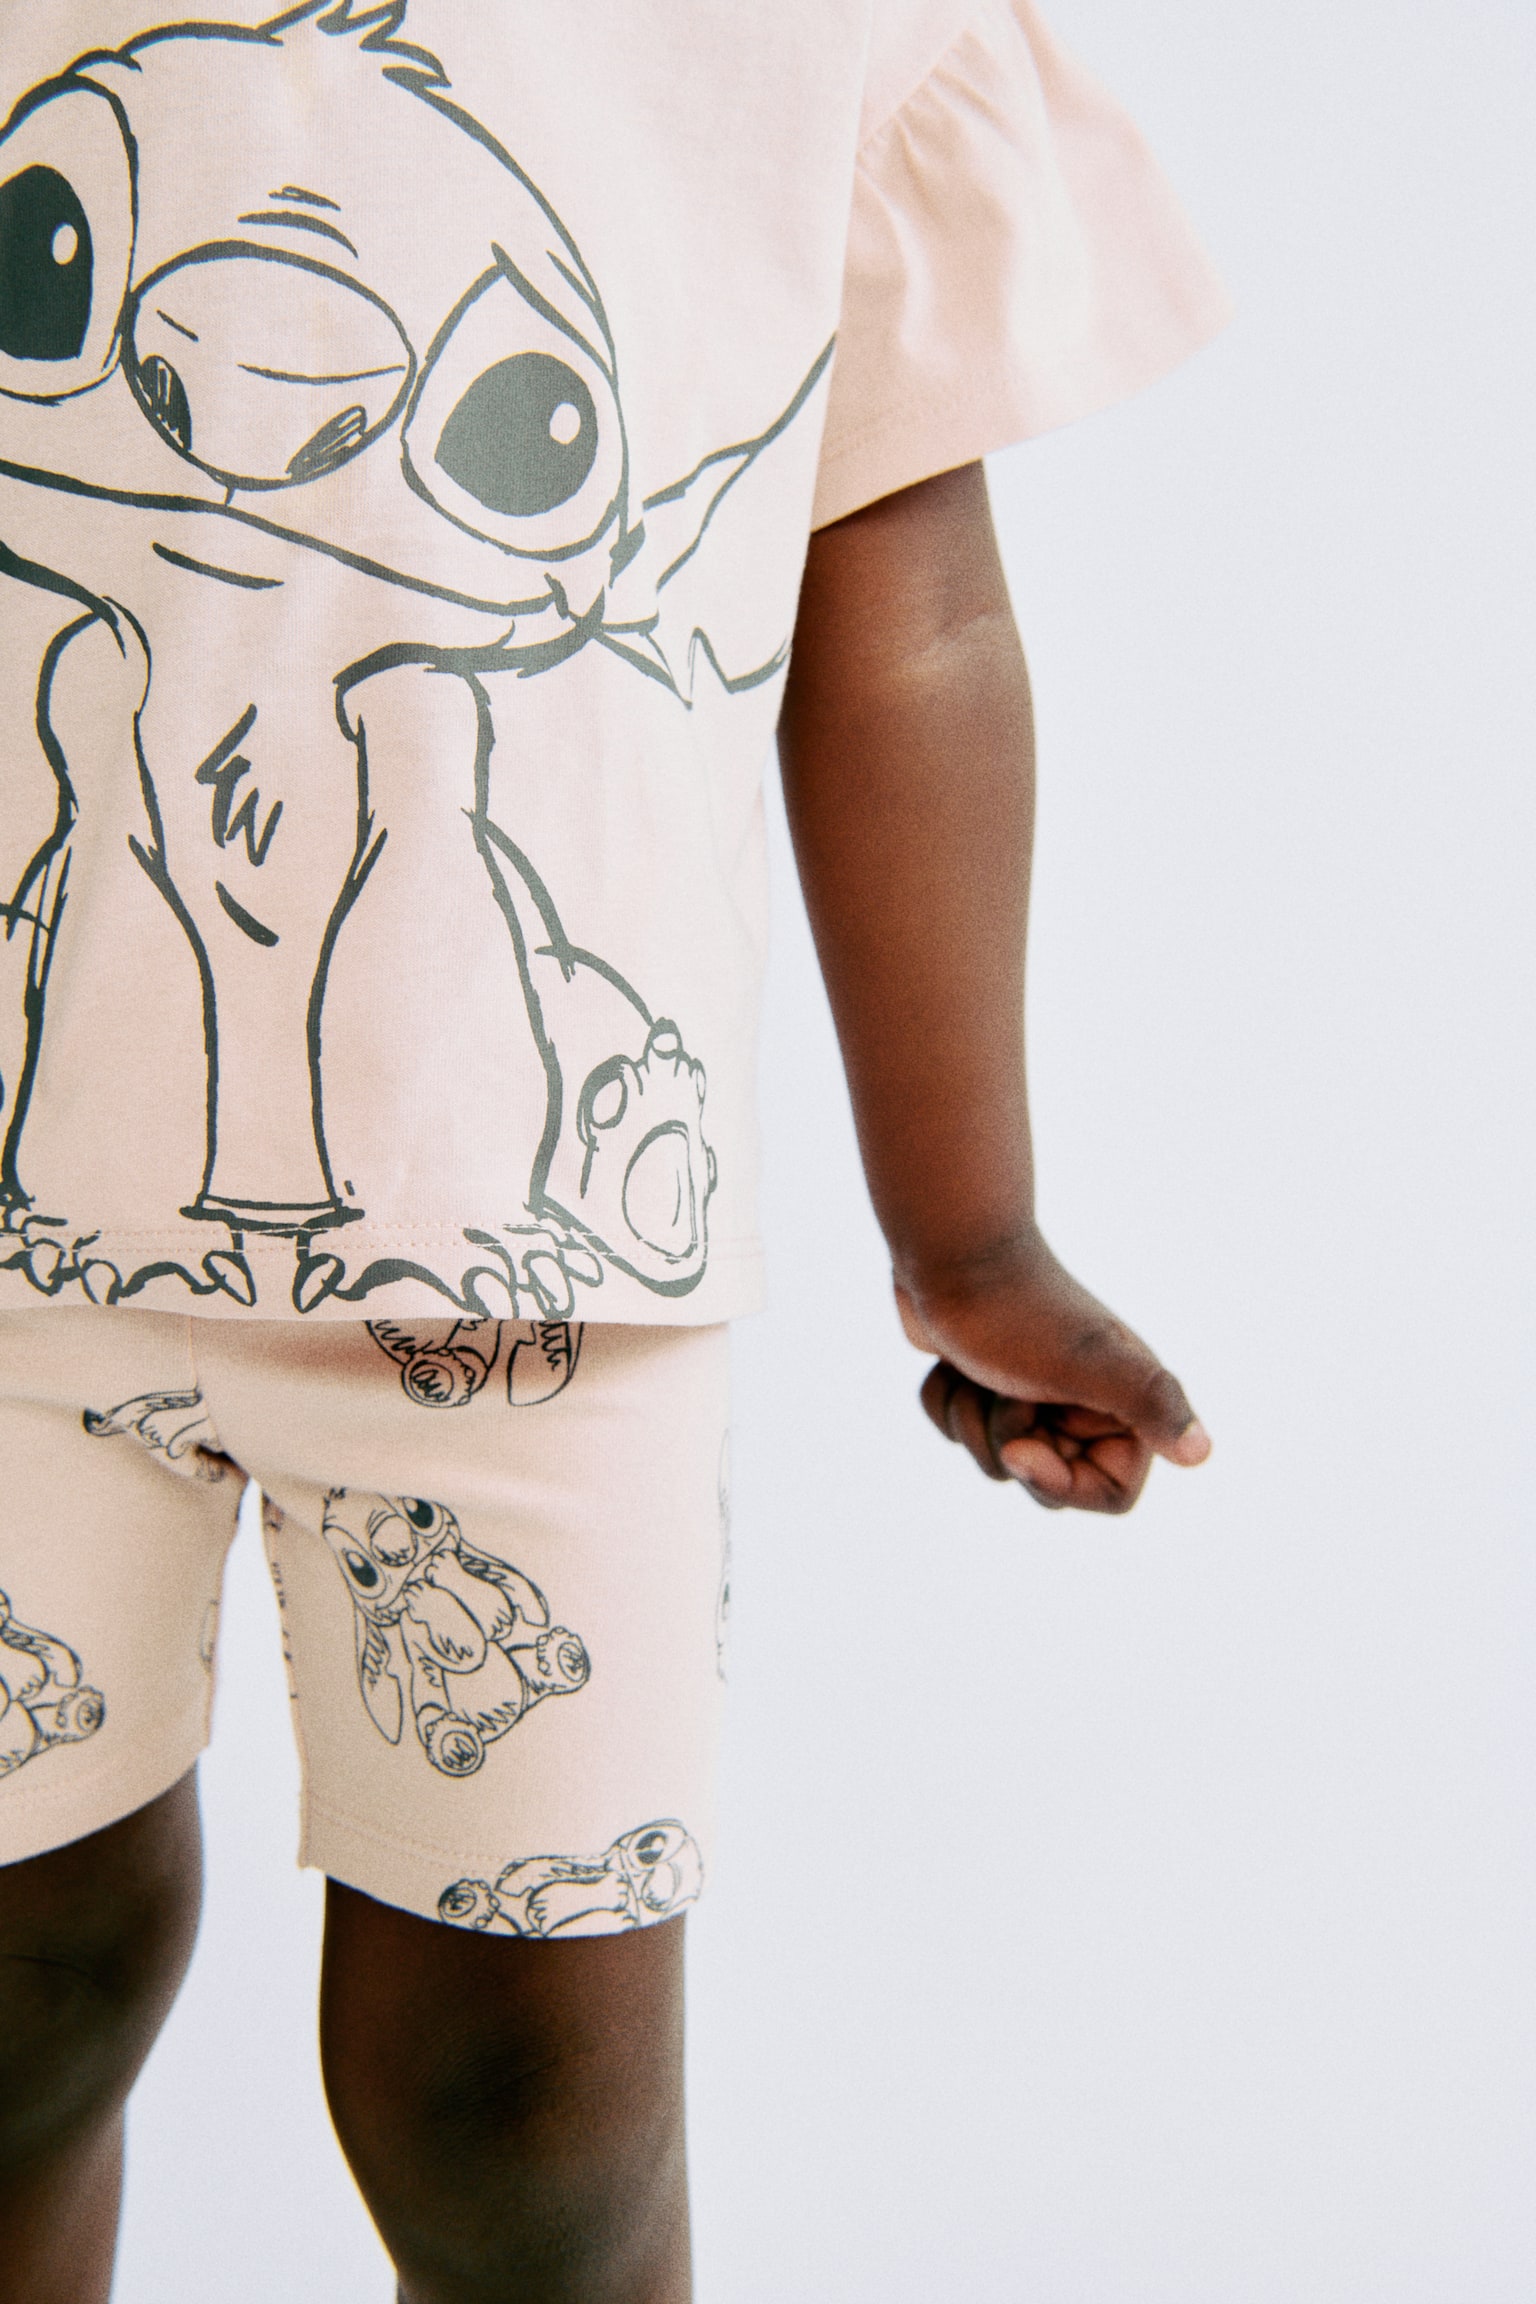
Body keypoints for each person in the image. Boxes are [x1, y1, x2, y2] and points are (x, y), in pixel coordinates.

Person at [0, 0, 1223, 2295]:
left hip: (533, 1271)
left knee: (528, 2125)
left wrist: (968, 1224)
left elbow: (907, 606)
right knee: (15, 1992)